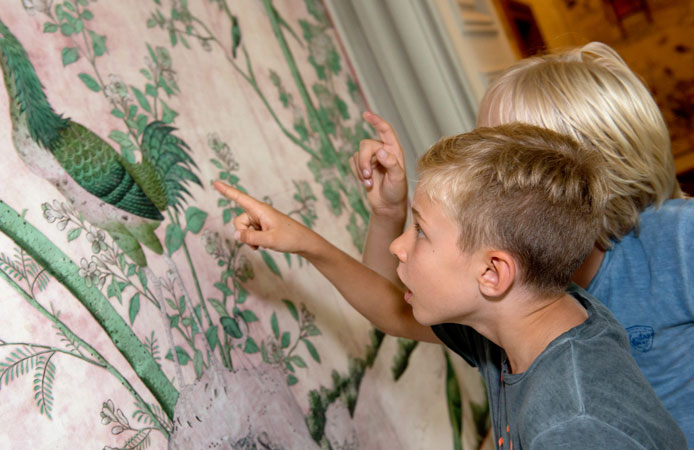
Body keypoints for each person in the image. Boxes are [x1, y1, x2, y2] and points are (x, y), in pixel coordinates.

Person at [214, 123, 687, 449]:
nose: (400, 247)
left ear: (492, 274)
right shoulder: (529, 319)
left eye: (420, 231)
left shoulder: (572, 422)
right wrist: (306, 243)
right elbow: (391, 312)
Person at [351, 42, 694, 443]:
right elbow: (394, 304)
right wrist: (388, 214)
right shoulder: (510, 291)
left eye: (504, 155)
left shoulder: (675, 240)